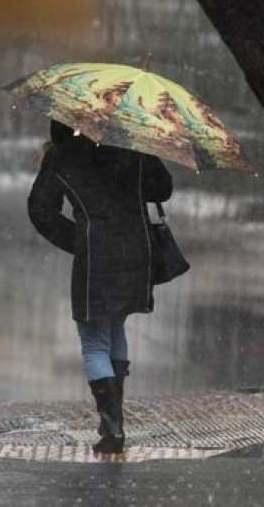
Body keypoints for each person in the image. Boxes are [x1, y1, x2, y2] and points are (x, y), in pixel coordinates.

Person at [27, 120, 173, 453]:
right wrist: (142, 147)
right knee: (115, 324)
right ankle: (113, 420)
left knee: (94, 341)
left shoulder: (63, 156)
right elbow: (162, 188)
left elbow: (40, 210)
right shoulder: (128, 147)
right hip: (136, 251)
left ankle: (112, 427)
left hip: (96, 257)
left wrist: (79, 240)